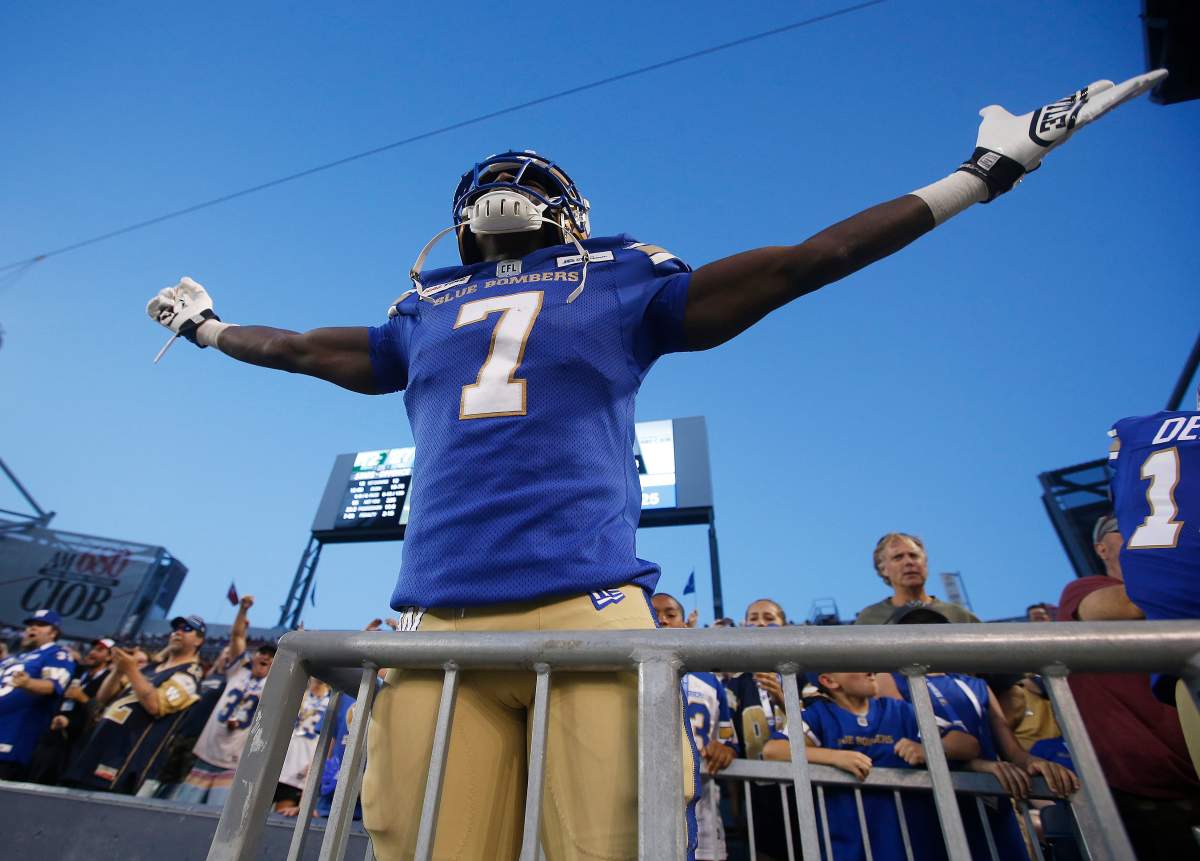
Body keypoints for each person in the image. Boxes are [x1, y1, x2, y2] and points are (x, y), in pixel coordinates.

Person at [146, 71, 1165, 859]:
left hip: (587, 608)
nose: (509, 190)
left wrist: (980, 174)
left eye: (528, 184)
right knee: (423, 846)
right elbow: (298, 348)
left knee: (614, 844)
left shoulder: (616, 276)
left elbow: (807, 262)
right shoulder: (423, 312)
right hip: (436, 620)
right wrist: (211, 328)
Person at [1056, 532, 1200, 858]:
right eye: (1124, 528)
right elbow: (1129, 605)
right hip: (1146, 796)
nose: (1141, 530)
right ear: (1101, 548)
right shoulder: (1084, 589)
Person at [764, 671, 948, 861]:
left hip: (912, 846)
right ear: (829, 680)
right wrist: (835, 757)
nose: (870, 671)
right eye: (855, 664)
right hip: (847, 847)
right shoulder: (819, 715)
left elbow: (961, 740)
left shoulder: (901, 711)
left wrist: (928, 749)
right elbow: (773, 750)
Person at [64, 615, 205, 794]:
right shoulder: (151, 668)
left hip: (125, 759)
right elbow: (103, 698)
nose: (178, 632)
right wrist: (118, 669)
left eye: (187, 629)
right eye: (176, 628)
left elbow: (156, 706)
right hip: (99, 746)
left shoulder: (190, 674)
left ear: (199, 640)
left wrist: (130, 668)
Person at [654, 593, 735, 861]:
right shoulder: (626, 674)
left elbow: (728, 740)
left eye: (670, 614)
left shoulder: (710, 681)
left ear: (684, 624)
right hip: (644, 805)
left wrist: (725, 749)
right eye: (654, 614)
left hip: (702, 812)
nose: (662, 620)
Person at [174, 627, 274, 805]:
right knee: (182, 807)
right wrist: (242, 613)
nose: (266, 657)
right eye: (262, 653)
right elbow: (236, 636)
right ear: (254, 656)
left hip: (235, 761)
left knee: (216, 813)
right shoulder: (238, 672)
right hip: (206, 754)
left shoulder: (274, 685)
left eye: (271, 656)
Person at [27, 636, 114, 786]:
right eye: (93, 649)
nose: (92, 653)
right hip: (51, 735)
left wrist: (82, 698)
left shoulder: (108, 681)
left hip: (75, 744)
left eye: (100, 650)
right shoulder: (78, 672)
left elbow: (102, 712)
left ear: (109, 657)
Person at [0, 609, 75, 781]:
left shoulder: (57, 654)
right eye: (30, 625)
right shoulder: (15, 658)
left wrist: (28, 683)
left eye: (41, 625)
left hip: (10, 740)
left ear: (53, 632)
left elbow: (52, 686)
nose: (32, 628)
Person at [854, 533, 980, 625]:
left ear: (925, 564)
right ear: (883, 569)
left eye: (914, 556)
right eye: (898, 557)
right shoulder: (870, 619)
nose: (909, 562)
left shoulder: (960, 617)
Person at [275, 678, 331, 816]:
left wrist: (316, 766)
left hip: (301, 770)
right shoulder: (295, 694)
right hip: (279, 764)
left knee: (279, 819)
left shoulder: (333, 702)